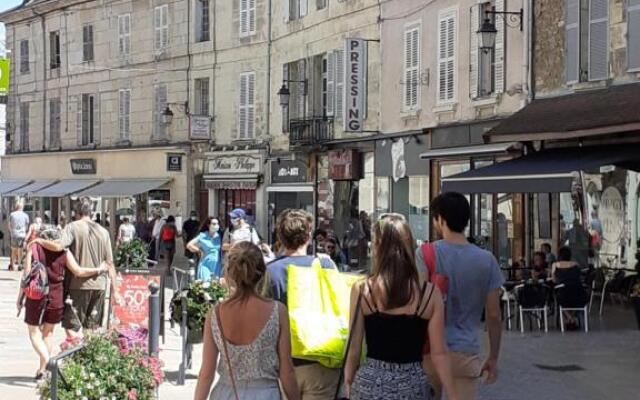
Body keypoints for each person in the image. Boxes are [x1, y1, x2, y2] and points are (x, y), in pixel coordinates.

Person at [345, 213, 458, 400]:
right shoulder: (429, 294)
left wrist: (349, 379)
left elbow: (354, 347)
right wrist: (453, 393)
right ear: (409, 245)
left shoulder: (363, 289)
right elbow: (439, 352)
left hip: (369, 384)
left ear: (377, 246)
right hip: (413, 385)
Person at [417, 192, 503, 400]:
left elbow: (418, 302)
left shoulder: (426, 253)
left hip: (429, 349)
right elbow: (493, 315)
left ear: (441, 219)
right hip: (466, 351)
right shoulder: (487, 260)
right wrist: (493, 356)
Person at [194, 242, 301, 400]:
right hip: (266, 393)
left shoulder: (215, 314)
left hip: (226, 392)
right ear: (262, 272)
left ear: (230, 273)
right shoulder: (277, 311)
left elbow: (206, 373)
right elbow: (287, 371)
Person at [17, 227, 108, 379]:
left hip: (36, 295)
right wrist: (99, 270)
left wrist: (20, 298)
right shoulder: (64, 252)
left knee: (34, 332)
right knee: (48, 333)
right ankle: (43, 371)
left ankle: (48, 361)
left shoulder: (34, 248)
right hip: (56, 295)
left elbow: (26, 276)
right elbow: (78, 271)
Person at [267, 209, 339, 399]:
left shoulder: (269, 272)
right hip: (320, 361)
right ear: (309, 237)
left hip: (283, 364)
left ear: (280, 238)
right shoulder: (325, 266)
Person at [32, 198, 117, 334]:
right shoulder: (104, 232)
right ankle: (88, 353)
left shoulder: (72, 227)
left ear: (76, 213)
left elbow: (59, 246)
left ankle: (74, 350)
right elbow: (110, 263)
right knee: (91, 328)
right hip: (100, 285)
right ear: (91, 212)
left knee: (71, 326)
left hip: (78, 284)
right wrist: (115, 291)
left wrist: (39, 241)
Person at [552, 246, 588, 330]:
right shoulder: (576, 264)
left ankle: (569, 318)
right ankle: (572, 318)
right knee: (580, 302)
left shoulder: (555, 265)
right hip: (578, 293)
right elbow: (579, 277)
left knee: (558, 300)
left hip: (564, 294)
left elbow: (554, 280)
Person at [187, 217, 223, 281]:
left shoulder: (220, 236)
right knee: (205, 284)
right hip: (205, 264)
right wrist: (199, 250)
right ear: (208, 225)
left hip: (217, 265)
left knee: (215, 286)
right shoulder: (203, 235)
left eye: (217, 224)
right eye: (214, 224)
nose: (216, 226)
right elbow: (189, 245)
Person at [8, 201, 30, 270]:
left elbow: (9, 224)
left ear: (16, 207)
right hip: (22, 234)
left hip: (14, 234)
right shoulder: (25, 215)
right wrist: (25, 232)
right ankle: (20, 264)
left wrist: (11, 231)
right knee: (20, 250)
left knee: (13, 249)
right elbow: (27, 225)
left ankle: (12, 264)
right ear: (21, 207)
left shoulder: (12, 214)